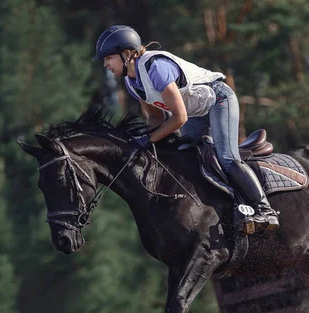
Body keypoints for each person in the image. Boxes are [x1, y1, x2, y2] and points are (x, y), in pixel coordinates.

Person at [93, 25, 279, 232]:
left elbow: (179, 118)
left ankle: (264, 209)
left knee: (226, 157)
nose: (105, 64)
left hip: (218, 99)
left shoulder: (155, 68)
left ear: (127, 54)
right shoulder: (131, 81)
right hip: (196, 112)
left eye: (108, 58)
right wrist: (141, 140)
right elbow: (155, 117)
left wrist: (149, 139)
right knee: (185, 157)